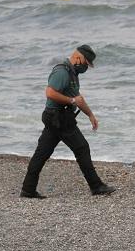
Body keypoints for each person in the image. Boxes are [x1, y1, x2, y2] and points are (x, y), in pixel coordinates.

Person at [21, 45, 117, 198]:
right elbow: (50, 92)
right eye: (86, 63)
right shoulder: (62, 72)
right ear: (78, 58)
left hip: (56, 118)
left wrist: (90, 115)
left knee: (42, 153)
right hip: (59, 118)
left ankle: (28, 189)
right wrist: (71, 100)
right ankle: (96, 186)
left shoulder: (72, 74)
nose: (86, 68)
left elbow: (78, 99)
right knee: (82, 148)